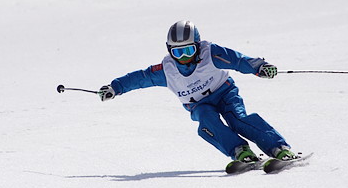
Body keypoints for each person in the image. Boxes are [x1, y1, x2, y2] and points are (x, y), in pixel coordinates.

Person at [97, 20, 296, 166]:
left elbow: (238, 60)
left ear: (198, 46)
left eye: (188, 51)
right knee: (207, 121)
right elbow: (139, 78)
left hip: (225, 93)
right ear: (170, 51)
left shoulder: (211, 53)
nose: (183, 58)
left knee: (238, 119)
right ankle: (240, 151)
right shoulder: (167, 70)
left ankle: (278, 147)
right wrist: (115, 88)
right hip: (199, 104)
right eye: (177, 52)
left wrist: (259, 67)